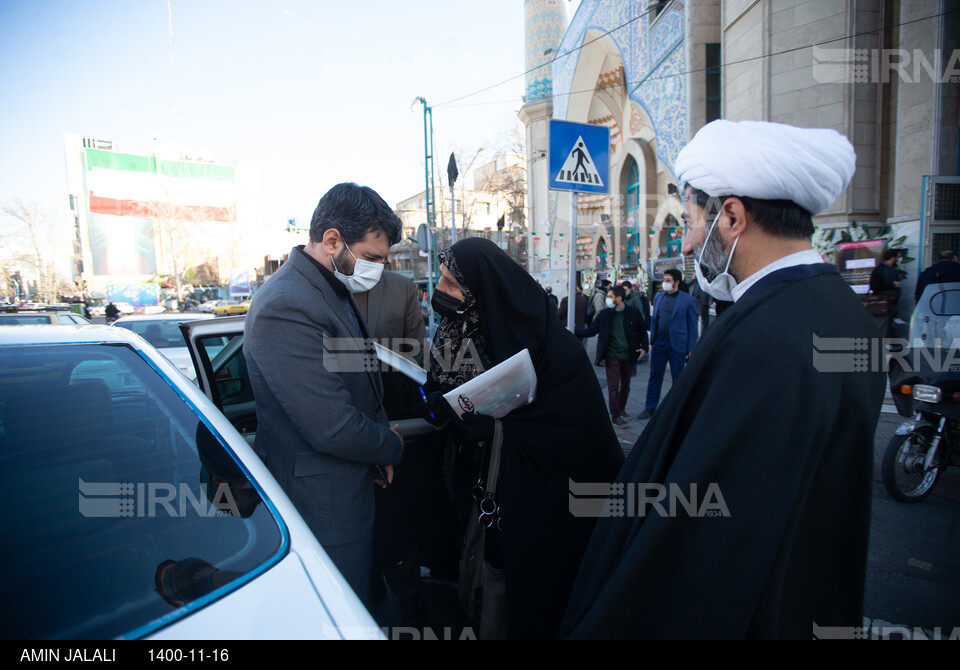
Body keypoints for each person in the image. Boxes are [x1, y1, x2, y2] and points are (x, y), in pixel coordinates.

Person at [559, 119, 884, 639]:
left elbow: (704, 535)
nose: (687, 247)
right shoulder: (848, 317)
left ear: (731, 216)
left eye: (689, 223)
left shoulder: (761, 334)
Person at [421, 237, 624, 639]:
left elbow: (573, 434)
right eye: (440, 281)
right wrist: (443, 406)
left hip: (545, 504)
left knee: (539, 596)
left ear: (483, 290)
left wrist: (499, 427)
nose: (439, 293)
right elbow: (439, 388)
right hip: (482, 490)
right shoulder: (456, 329)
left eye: (450, 284)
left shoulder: (554, 347)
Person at [242, 182, 404, 607]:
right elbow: (332, 425)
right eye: (370, 258)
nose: (377, 270)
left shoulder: (327, 287)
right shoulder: (288, 304)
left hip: (347, 489)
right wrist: (388, 446)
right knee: (339, 615)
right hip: (324, 508)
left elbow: (356, 384)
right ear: (332, 240)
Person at [354, 269, 435, 626]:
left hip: (395, 422)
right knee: (357, 531)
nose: (375, 261)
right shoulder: (319, 287)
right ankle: (364, 595)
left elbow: (418, 356)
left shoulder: (400, 287)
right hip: (342, 427)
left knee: (396, 528)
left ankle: (409, 600)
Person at [575, 285, 648, 427]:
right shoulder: (605, 314)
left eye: (610, 297)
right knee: (613, 386)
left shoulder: (633, 313)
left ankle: (621, 409)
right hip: (611, 355)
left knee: (626, 385)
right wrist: (572, 330)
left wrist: (644, 348)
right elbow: (591, 331)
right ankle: (615, 416)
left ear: (619, 299)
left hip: (628, 355)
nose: (607, 299)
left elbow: (642, 331)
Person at [638, 268, 698, 419]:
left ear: (677, 282)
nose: (665, 283)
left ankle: (677, 409)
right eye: (664, 280)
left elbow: (693, 325)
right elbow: (655, 320)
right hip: (659, 343)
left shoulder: (688, 300)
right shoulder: (658, 297)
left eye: (668, 280)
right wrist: (652, 341)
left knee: (678, 378)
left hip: (678, 344)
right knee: (655, 376)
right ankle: (650, 407)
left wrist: (691, 348)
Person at [869, 249, 901, 337]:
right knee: (883, 325)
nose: (899, 259)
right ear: (892, 258)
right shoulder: (879, 270)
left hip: (892, 302)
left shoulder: (894, 269)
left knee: (889, 324)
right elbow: (874, 286)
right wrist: (892, 285)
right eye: (898, 257)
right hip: (883, 303)